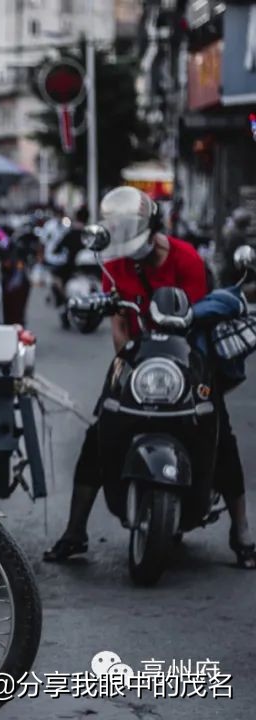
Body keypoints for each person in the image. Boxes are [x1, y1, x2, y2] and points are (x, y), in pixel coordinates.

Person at [44, 186, 256, 569]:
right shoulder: (115, 263)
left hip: (189, 359)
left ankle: (241, 533)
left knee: (219, 433)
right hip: (140, 359)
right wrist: (127, 363)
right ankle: (74, 532)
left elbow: (196, 319)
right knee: (100, 430)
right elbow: (119, 323)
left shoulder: (186, 258)